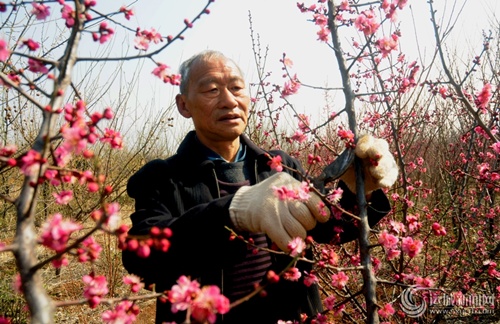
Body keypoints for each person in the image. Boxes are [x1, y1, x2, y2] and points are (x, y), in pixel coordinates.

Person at [122, 50, 397, 324]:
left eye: (236, 88)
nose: (229, 100)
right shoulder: (162, 177)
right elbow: (142, 258)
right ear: (184, 105)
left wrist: (360, 189)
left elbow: (327, 226)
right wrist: (233, 211)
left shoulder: (279, 165)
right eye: (211, 90)